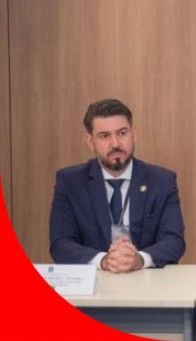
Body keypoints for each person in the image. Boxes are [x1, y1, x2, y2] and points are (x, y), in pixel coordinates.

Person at [49, 99, 186, 272]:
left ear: (133, 135)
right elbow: (60, 244)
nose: (115, 144)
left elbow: (174, 240)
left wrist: (140, 259)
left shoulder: (161, 181)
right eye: (104, 136)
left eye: (122, 133)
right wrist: (104, 261)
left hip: (148, 281)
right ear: (90, 141)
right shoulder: (70, 182)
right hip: (96, 282)